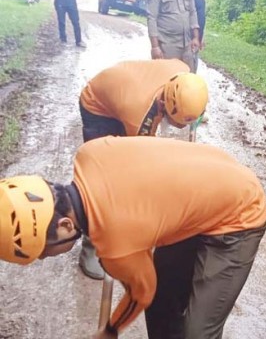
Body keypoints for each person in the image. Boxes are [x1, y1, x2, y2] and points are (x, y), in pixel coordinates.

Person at [0, 136, 266, 339]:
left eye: (44, 252)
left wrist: (110, 330)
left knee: (197, 332)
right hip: (211, 180)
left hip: (239, 211)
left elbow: (142, 293)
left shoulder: (115, 246)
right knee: (164, 302)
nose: (46, 258)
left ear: (65, 225)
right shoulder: (89, 153)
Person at [77, 59, 209, 280]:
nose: (180, 128)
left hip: (123, 91)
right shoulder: (138, 115)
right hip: (98, 107)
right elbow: (141, 167)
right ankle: (91, 247)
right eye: (176, 122)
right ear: (163, 106)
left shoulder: (185, 76)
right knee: (106, 180)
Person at [188, 0, 207, 73]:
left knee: (193, 71)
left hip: (196, 38)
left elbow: (201, 15)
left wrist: (201, 36)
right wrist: (193, 37)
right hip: (188, 39)